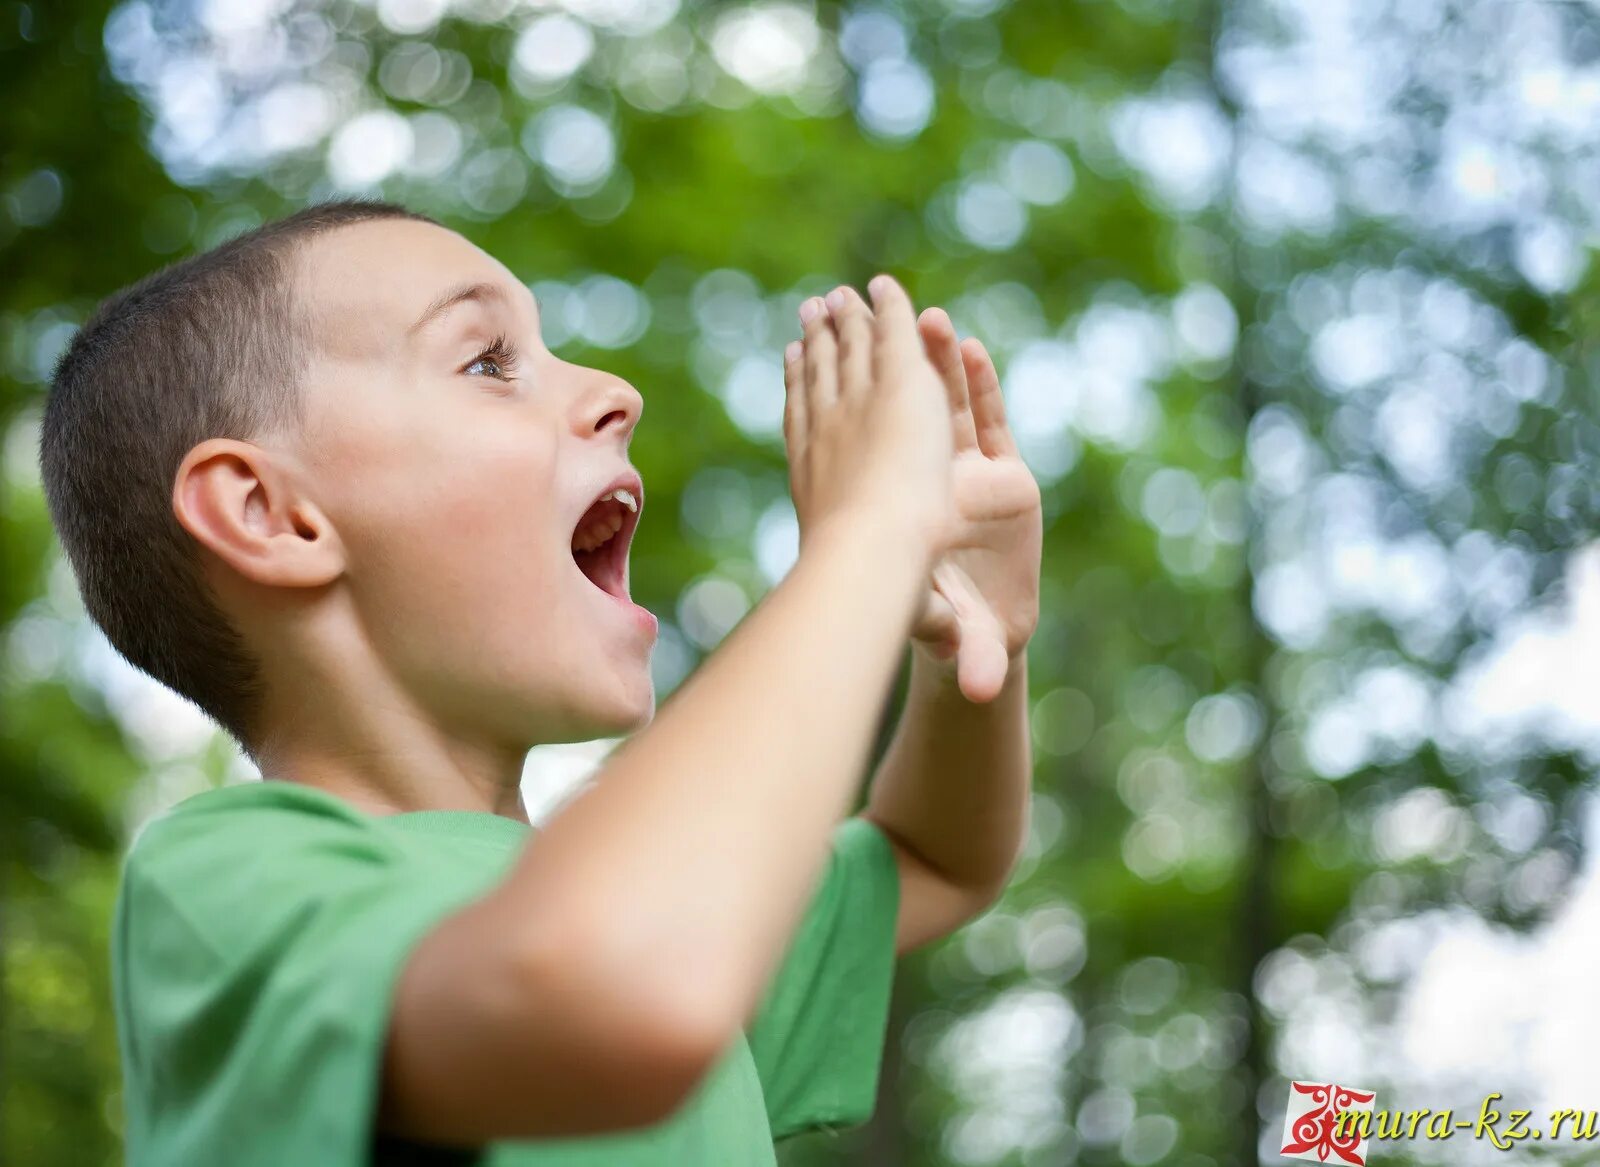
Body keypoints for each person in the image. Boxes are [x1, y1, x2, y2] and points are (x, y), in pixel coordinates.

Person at [39, 199, 1041, 1165]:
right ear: (272, 514)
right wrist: (866, 540)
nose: (617, 392)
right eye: (487, 361)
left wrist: (966, 653)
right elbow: (615, 988)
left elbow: (931, 860)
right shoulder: (227, 884)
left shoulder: (659, 894)